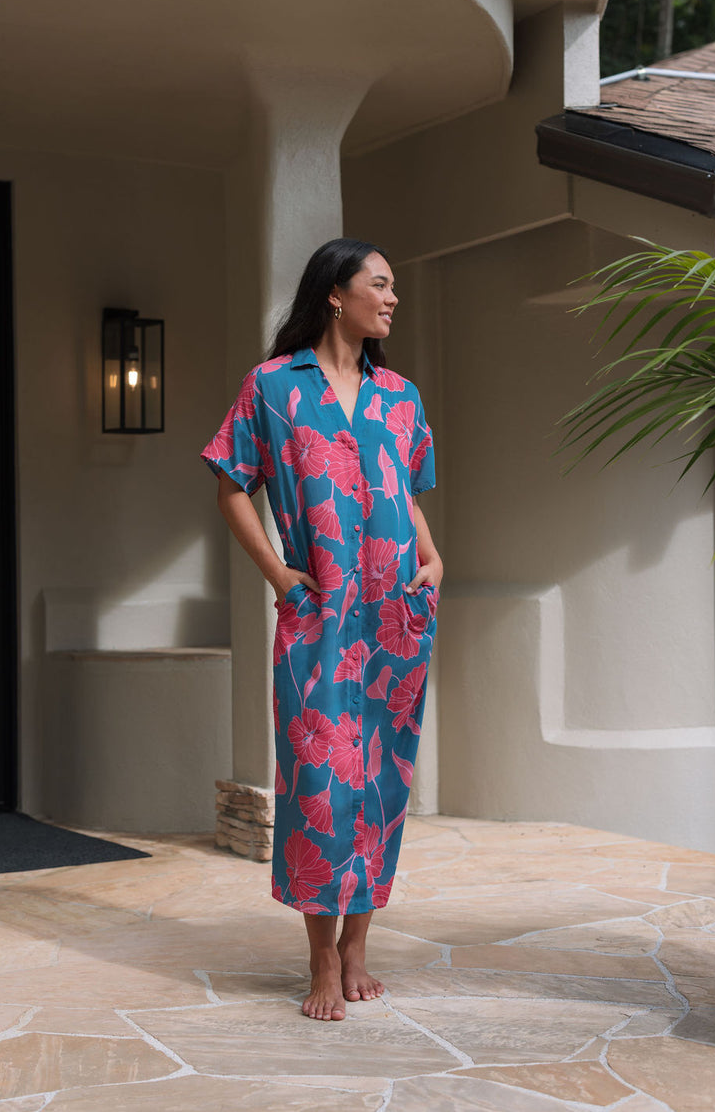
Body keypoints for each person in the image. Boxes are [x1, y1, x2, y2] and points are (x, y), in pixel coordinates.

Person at [201, 238, 442, 1022]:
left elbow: (405, 488)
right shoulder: (273, 387)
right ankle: (318, 956)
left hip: (397, 618)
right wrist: (277, 573)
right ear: (335, 294)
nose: (393, 297)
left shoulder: (400, 396)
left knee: (382, 780)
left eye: (394, 286)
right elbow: (232, 484)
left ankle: (358, 948)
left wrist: (433, 556)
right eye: (381, 283)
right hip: (320, 616)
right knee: (316, 785)